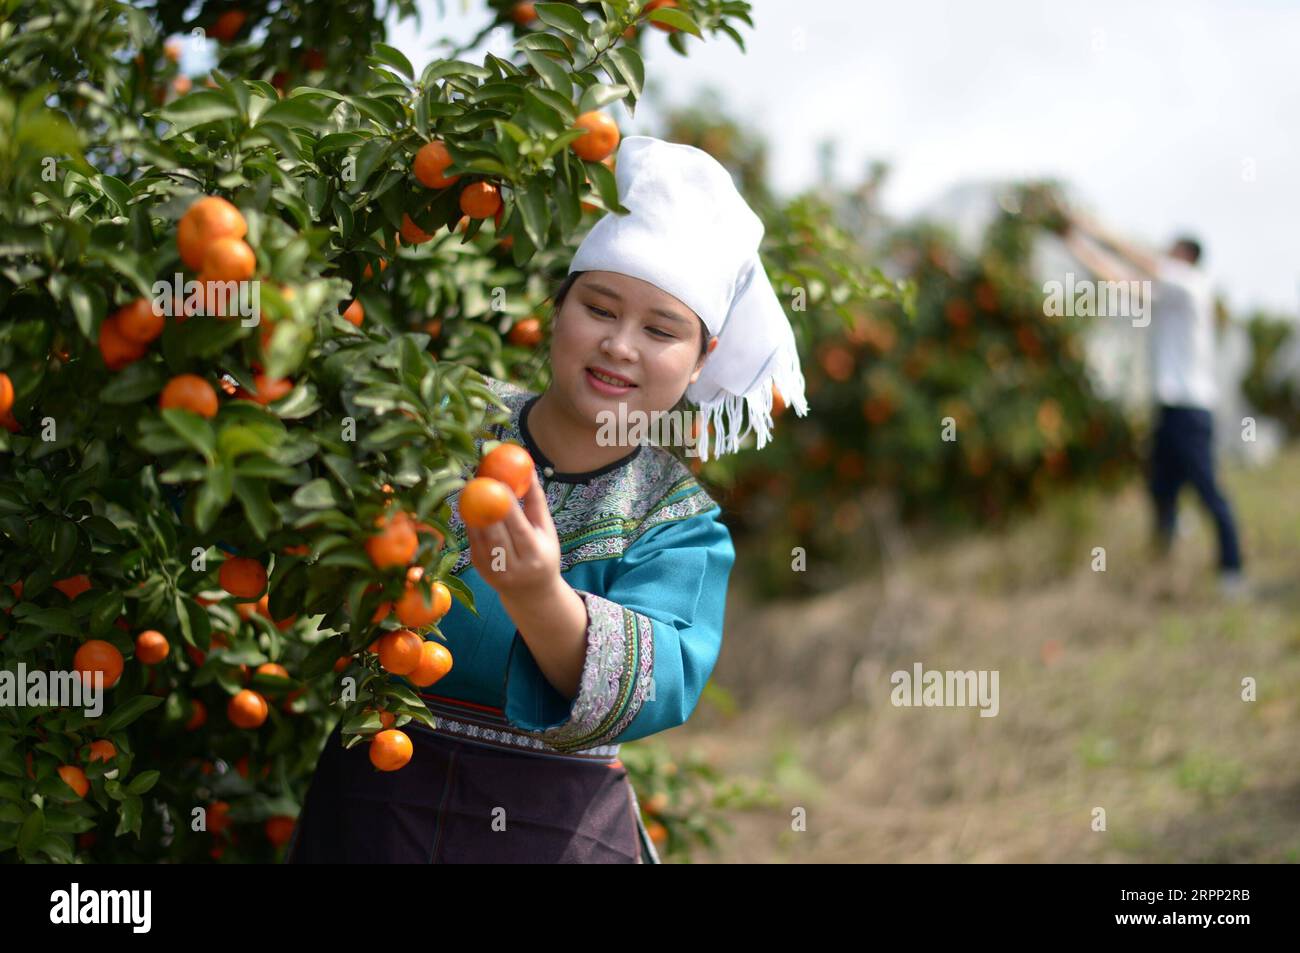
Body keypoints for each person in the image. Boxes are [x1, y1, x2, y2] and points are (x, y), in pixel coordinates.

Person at [286, 136, 809, 863]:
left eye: (661, 329)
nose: (621, 345)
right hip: (378, 795)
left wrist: (538, 594)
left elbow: (655, 681)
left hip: (552, 831)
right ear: (558, 307)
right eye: (599, 307)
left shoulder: (677, 521)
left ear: (702, 358)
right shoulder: (443, 417)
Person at [1061, 211, 1245, 596]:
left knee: (1208, 489)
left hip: (1192, 409)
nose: (1165, 254)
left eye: (1172, 251)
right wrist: (1078, 246)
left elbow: (1141, 262)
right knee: (1160, 488)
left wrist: (1094, 228)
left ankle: (1232, 570)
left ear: (1186, 256)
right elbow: (1121, 281)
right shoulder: (1168, 294)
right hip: (1171, 408)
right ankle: (1164, 565)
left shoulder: (1192, 284)